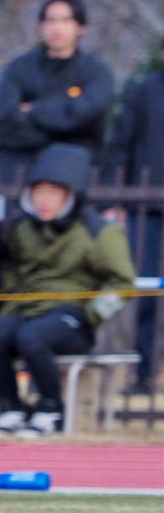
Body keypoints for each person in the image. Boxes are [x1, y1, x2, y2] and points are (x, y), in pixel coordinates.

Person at [0, 144, 136, 438]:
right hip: (27, 310)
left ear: (71, 193)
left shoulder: (98, 231)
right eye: (38, 191)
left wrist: (92, 315)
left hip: (73, 317)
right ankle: (11, 409)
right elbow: (12, 269)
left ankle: (51, 410)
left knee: (32, 337)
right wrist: (9, 306)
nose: (44, 200)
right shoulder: (21, 228)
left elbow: (124, 283)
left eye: (53, 191)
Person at [0, 0, 113, 182]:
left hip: (72, 171)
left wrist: (34, 110)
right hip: (18, 169)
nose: (56, 27)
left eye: (65, 20)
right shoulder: (20, 68)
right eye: (50, 20)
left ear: (80, 27)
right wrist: (59, 131)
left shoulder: (95, 72)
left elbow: (88, 113)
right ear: (40, 26)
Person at [103, 37, 164, 392]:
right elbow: (119, 144)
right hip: (146, 207)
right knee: (146, 291)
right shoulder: (143, 92)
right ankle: (144, 372)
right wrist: (113, 198)